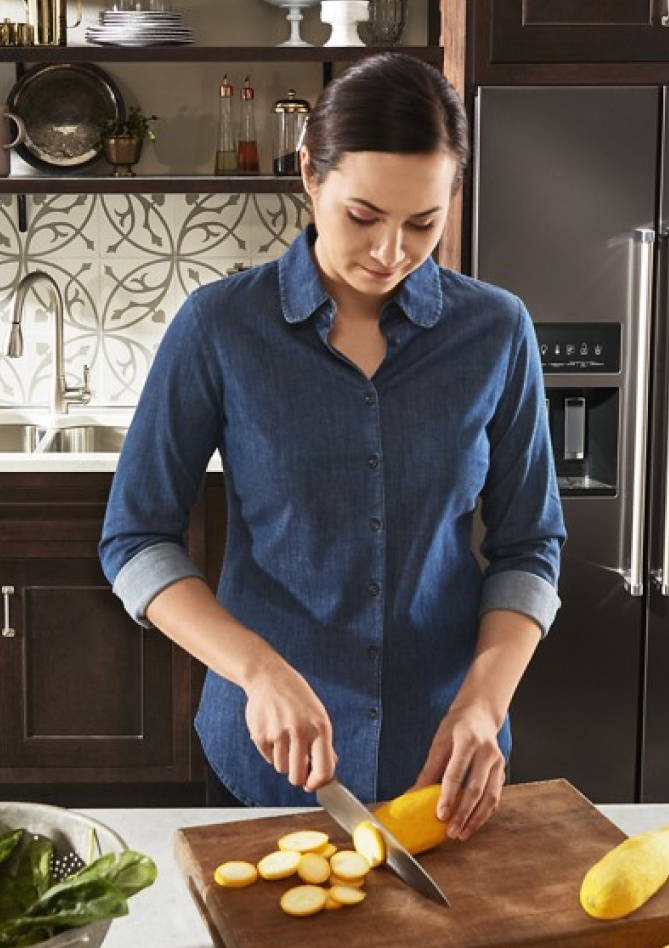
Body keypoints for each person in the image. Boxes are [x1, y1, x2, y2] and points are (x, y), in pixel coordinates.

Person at [99, 52, 565, 842]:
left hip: (445, 767)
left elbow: (530, 546)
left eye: (423, 222)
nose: (391, 251)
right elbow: (136, 541)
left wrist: (485, 703)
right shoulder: (219, 328)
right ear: (310, 176)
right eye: (363, 216)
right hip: (266, 764)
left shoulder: (495, 330)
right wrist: (256, 669)